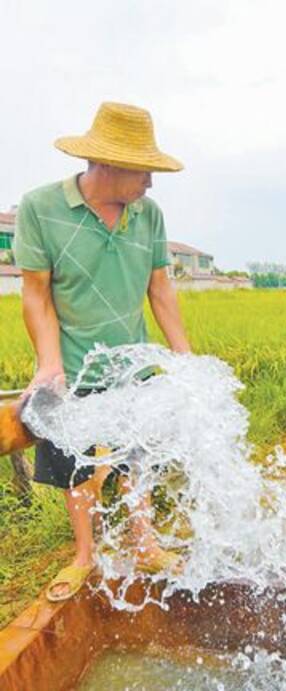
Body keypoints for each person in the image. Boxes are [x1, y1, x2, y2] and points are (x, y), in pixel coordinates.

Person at [13, 102, 191, 601]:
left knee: (139, 455)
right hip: (74, 363)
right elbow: (36, 294)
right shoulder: (41, 208)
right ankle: (84, 557)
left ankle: (144, 544)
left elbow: (160, 291)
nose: (151, 183)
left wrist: (185, 359)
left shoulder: (148, 214)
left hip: (131, 363)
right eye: (145, 171)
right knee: (77, 464)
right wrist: (50, 363)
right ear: (106, 163)